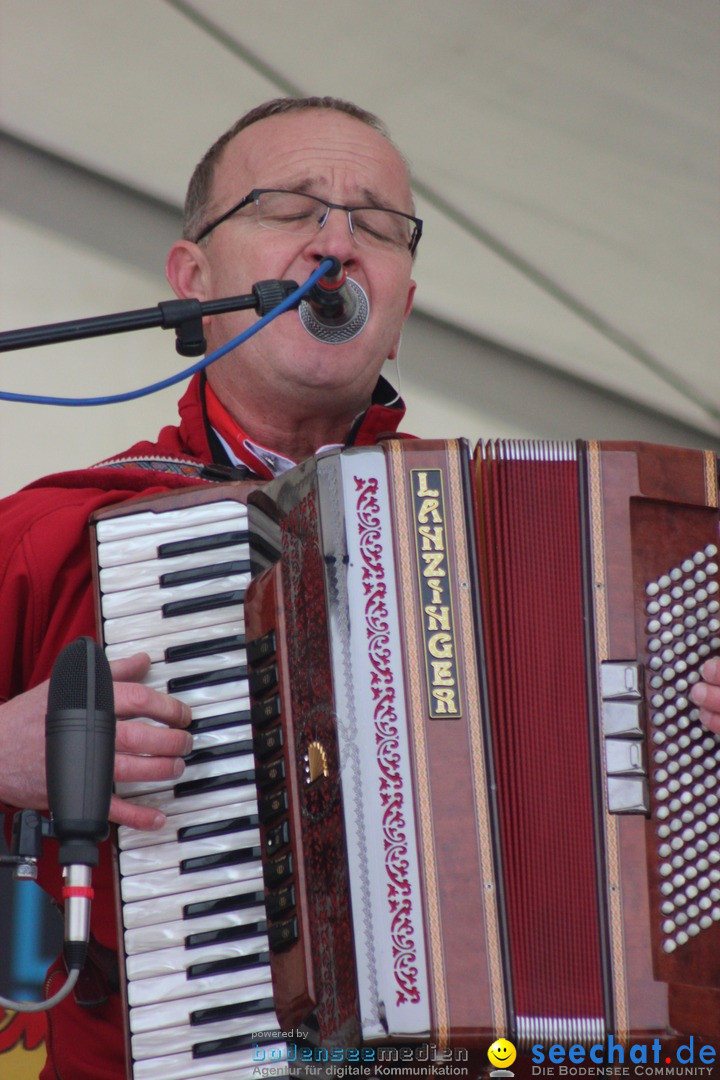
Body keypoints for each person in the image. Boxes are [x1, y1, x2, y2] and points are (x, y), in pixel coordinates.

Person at [0, 95, 419, 1080]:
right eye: (291, 208)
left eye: (377, 226)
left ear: (399, 312)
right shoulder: (44, 537)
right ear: (193, 282)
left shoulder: (523, 533)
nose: (336, 243)